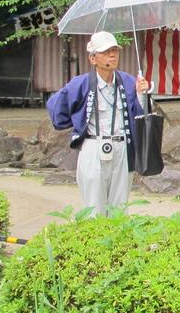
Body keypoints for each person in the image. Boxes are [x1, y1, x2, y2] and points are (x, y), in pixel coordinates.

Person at [47, 31, 150, 215]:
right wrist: (78, 122)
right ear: (93, 58)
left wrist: (143, 95)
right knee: (94, 209)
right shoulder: (80, 84)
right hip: (93, 146)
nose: (112, 54)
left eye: (115, 50)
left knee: (119, 210)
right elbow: (57, 109)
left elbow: (141, 117)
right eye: (106, 51)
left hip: (122, 148)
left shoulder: (129, 81)